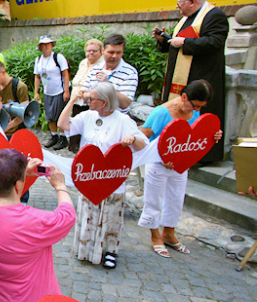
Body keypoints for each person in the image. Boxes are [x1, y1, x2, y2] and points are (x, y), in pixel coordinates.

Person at [0, 149, 75, 302]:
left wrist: (22, 176)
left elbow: (6, 192)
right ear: (18, 185)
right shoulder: (29, 221)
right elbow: (67, 216)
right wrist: (60, 186)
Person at [58, 81, 148, 269]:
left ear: (105, 102)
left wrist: (132, 140)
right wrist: (74, 98)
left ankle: (110, 251)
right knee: (89, 213)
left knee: (111, 215)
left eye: (92, 98)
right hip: (89, 177)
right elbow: (62, 124)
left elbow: (143, 145)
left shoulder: (123, 121)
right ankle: (85, 248)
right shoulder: (87, 116)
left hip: (111, 177)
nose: (88, 101)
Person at [138, 80, 222, 258]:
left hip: (181, 164)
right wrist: (161, 156)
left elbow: (195, 135)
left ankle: (169, 233)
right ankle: (155, 236)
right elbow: (143, 137)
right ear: (184, 97)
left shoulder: (193, 112)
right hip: (158, 163)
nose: (197, 110)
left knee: (176, 199)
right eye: (196, 105)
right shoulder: (162, 112)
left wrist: (213, 135)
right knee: (154, 200)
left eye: (201, 107)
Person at [154, 0, 228, 163]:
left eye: (179, 4)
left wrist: (185, 42)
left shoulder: (214, 16)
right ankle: (176, 148)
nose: (178, 8)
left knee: (197, 117)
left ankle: (200, 155)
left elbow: (215, 42)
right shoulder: (187, 18)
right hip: (181, 78)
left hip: (201, 78)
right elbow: (176, 42)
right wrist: (164, 40)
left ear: (192, 2)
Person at [81, 33, 138, 114]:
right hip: (94, 118)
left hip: (116, 121)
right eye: (111, 52)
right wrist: (85, 95)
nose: (114, 56)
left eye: (118, 53)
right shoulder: (95, 69)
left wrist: (107, 85)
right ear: (103, 50)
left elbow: (125, 104)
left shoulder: (130, 72)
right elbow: (83, 95)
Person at [33, 35, 70, 150]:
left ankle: (63, 138)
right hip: (47, 91)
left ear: (52, 45)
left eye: (48, 44)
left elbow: (65, 74)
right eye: (43, 44)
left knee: (60, 115)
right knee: (49, 116)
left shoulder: (58, 57)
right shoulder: (38, 60)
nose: (46, 46)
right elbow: (37, 77)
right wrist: (36, 92)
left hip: (59, 90)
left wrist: (66, 91)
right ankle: (54, 136)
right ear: (40, 47)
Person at [69, 38, 104, 152]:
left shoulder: (102, 65)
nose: (91, 53)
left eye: (94, 51)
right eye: (89, 51)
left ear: (101, 52)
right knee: (75, 127)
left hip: (89, 102)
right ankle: (75, 150)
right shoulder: (83, 62)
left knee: (87, 129)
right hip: (76, 99)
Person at [0, 60, 30, 137]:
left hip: (15, 133)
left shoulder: (19, 87)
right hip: (1, 131)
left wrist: (6, 127)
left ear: (3, 72)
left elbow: (24, 114)